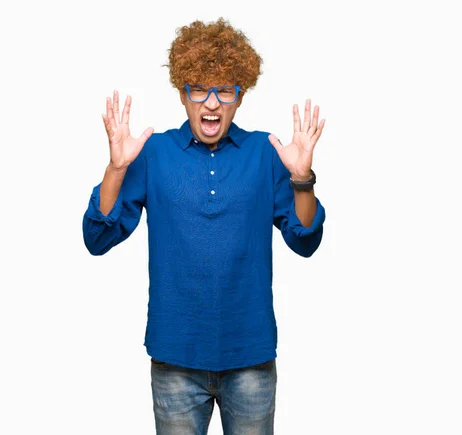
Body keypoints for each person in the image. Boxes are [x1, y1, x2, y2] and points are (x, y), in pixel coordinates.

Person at [82, 17, 326, 435]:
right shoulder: (154, 152)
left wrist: (302, 180)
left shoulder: (267, 153)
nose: (211, 103)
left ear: (240, 95)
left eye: (224, 90)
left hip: (249, 356)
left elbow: (304, 241)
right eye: (199, 89)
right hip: (176, 356)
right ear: (182, 93)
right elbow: (97, 237)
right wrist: (116, 168)